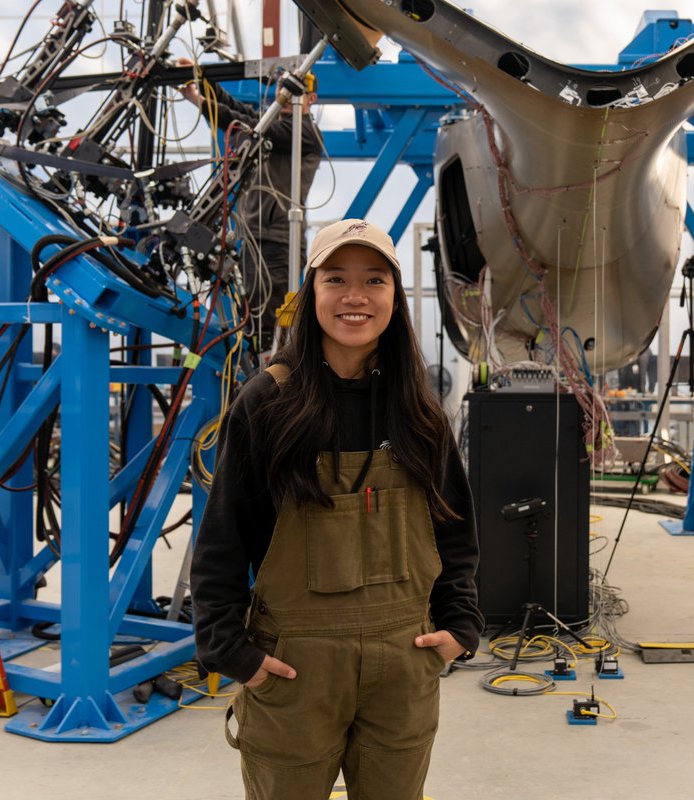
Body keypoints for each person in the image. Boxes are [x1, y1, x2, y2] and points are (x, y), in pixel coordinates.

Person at [191, 219, 483, 799]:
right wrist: (232, 652)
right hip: (297, 668)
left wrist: (461, 627)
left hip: (403, 662)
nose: (356, 296)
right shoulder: (269, 401)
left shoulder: (418, 410)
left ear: (394, 297)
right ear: (311, 293)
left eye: (374, 280)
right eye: (336, 279)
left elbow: (455, 533)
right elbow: (223, 540)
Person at [177, 58, 325, 352]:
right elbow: (239, 110)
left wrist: (198, 100)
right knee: (248, 315)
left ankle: (267, 379)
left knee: (267, 322)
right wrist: (205, 79)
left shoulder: (305, 134)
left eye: (294, 92)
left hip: (278, 241)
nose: (286, 97)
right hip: (254, 238)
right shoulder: (276, 123)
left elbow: (245, 124)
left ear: (311, 98)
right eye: (283, 90)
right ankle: (249, 376)